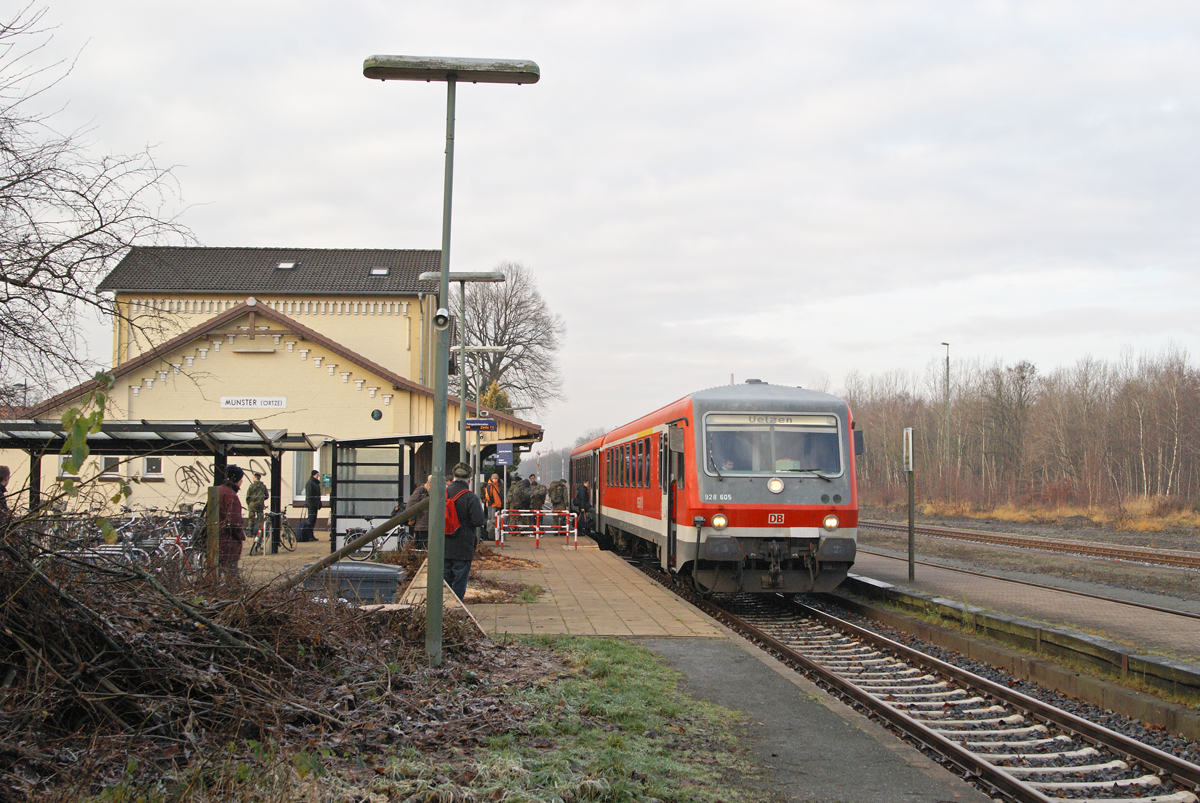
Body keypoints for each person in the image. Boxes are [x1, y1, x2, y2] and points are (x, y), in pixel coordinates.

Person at [444, 462, 485, 601]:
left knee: (444, 581)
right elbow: (479, 521)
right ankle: (456, 607)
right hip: (463, 546)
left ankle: (443, 607)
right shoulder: (470, 497)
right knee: (459, 581)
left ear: (453, 477)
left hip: (443, 545)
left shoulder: (443, 494)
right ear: (469, 479)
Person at [217, 464, 248, 578]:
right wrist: (240, 536)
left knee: (215, 574)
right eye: (241, 479)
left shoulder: (218, 490)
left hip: (215, 541)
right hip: (228, 543)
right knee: (232, 576)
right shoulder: (231, 495)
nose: (242, 482)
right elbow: (233, 522)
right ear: (236, 479)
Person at [403, 475, 431, 548]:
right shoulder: (421, 490)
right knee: (421, 546)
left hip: (431, 525)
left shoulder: (435, 492)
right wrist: (411, 519)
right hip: (422, 524)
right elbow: (410, 504)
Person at [245, 471, 268, 542]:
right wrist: (261, 500)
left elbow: (248, 496)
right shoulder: (263, 486)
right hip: (260, 505)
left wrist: (249, 503)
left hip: (252, 505)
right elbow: (267, 496)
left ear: (255, 478)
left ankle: (250, 533)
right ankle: (260, 533)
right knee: (260, 519)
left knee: (251, 519)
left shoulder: (251, 486)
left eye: (253, 477)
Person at [301, 469, 321, 542]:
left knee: (313, 520)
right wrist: (310, 504)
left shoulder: (315, 483)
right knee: (311, 520)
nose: (318, 476)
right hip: (312, 505)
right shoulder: (310, 483)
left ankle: (311, 534)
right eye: (317, 475)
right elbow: (309, 495)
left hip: (315, 504)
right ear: (314, 475)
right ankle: (309, 535)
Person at [482, 472, 503, 536]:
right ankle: (490, 532)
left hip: (495, 505)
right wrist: (492, 502)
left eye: (497, 479)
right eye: (495, 479)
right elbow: (488, 495)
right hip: (492, 505)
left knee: (493, 519)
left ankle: (492, 532)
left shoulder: (495, 485)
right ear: (492, 479)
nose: (496, 480)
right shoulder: (490, 486)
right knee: (491, 519)